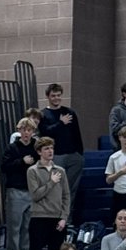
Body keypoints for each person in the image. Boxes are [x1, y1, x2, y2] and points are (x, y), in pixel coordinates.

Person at [26, 136, 70, 250]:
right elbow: (36, 195)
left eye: (51, 148)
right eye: (46, 148)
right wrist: (51, 182)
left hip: (57, 218)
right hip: (39, 217)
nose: (50, 151)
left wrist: (64, 217)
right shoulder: (32, 171)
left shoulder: (60, 171)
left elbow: (66, 195)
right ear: (39, 152)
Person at [39, 83, 85, 215]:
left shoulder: (69, 112)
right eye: (53, 96)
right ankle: (55, 217)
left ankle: (67, 218)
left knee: (71, 189)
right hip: (56, 156)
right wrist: (60, 123)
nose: (56, 98)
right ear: (48, 97)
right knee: (56, 188)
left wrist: (80, 154)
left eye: (58, 95)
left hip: (73, 156)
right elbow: (45, 133)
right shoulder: (43, 114)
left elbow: (77, 134)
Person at [0, 114, 39, 250]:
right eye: (24, 129)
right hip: (16, 191)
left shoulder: (36, 147)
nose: (26, 133)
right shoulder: (12, 148)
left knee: (27, 229)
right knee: (14, 228)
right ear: (19, 131)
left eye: (29, 130)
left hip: (31, 191)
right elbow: (4, 167)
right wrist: (21, 162)